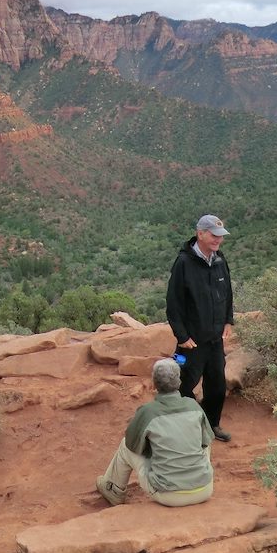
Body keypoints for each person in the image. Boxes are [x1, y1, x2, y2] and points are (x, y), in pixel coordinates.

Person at [95, 358, 214, 507]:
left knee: (125, 445)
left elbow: (133, 444)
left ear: (154, 384)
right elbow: (206, 441)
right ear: (179, 381)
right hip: (204, 490)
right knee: (205, 440)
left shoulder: (147, 412)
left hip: (168, 495)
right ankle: (195, 475)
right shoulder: (193, 406)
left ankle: (114, 490)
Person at [165, 214, 234, 442]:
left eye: (220, 236)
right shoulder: (184, 263)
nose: (217, 240)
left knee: (217, 387)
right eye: (213, 235)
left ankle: (211, 424)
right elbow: (173, 302)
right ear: (200, 233)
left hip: (215, 340)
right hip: (191, 342)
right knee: (182, 384)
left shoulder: (220, 260)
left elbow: (228, 294)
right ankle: (183, 425)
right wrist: (182, 336)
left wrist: (228, 320)